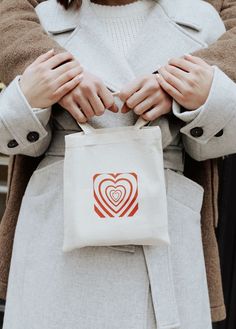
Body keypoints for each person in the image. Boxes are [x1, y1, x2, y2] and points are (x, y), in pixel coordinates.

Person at [0, 0, 236, 328]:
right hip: (55, 242)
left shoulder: (199, 21)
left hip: (165, 238)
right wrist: (32, 95)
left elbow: (207, 147)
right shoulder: (43, 23)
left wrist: (200, 95)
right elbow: (17, 139)